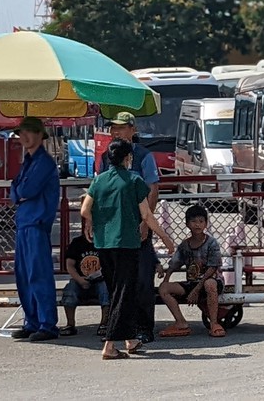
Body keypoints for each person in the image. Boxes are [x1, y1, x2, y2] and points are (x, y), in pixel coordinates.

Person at [82, 138, 174, 360]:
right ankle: (110, 345)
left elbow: (85, 209)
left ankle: (130, 339)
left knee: (116, 291)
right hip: (127, 243)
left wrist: (93, 223)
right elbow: (146, 215)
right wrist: (165, 237)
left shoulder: (99, 181)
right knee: (124, 293)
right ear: (128, 158)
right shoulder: (134, 180)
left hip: (104, 244)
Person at [98, 111, 160, 344]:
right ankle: (123, 328)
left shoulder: (144, 156)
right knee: (116, 281)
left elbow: (152, 190)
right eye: (113, 128)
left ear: (133, 130)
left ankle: (144, 327)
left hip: (138, 226)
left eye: (121, 128)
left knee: (142, 278)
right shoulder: (106, 157)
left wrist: (146, 222)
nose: (116, 132)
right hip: (114, 230)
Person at [8, 116, 61, 342]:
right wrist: (19, 191)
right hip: (24, 224)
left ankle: (47, 324)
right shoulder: (28, 161)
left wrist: (18, 191)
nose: (24, 136)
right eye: (22, 132)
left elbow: (25, 189)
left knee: (38, 275)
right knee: (24, 276)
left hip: (36, 225)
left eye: (29, 132)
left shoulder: (44, 162)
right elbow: (15, 192)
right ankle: (32, 321)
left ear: (40, 135)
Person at [158, 205, 226, 338]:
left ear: (206, 224)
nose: (197, 225)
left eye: (201, 221)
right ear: (187, 224)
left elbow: (213, 268)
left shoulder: (211, 243)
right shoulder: (185, 245)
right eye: (194, 221)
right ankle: (180, 322)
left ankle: (214, 324)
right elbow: (174, 264)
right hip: (192, 283)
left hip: (211, 281)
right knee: (163, 288)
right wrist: (166, 280)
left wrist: (196, 290)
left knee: (210, 284)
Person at [59, 233, 110, 337]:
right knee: (70, 289)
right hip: (79, 279)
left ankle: (104, 324)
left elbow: (110, 264)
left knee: (106, 288)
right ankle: (70, 325)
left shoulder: (106, 242)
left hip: (100, 280)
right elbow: (69, 265)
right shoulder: (77, 242)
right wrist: (80, 280)